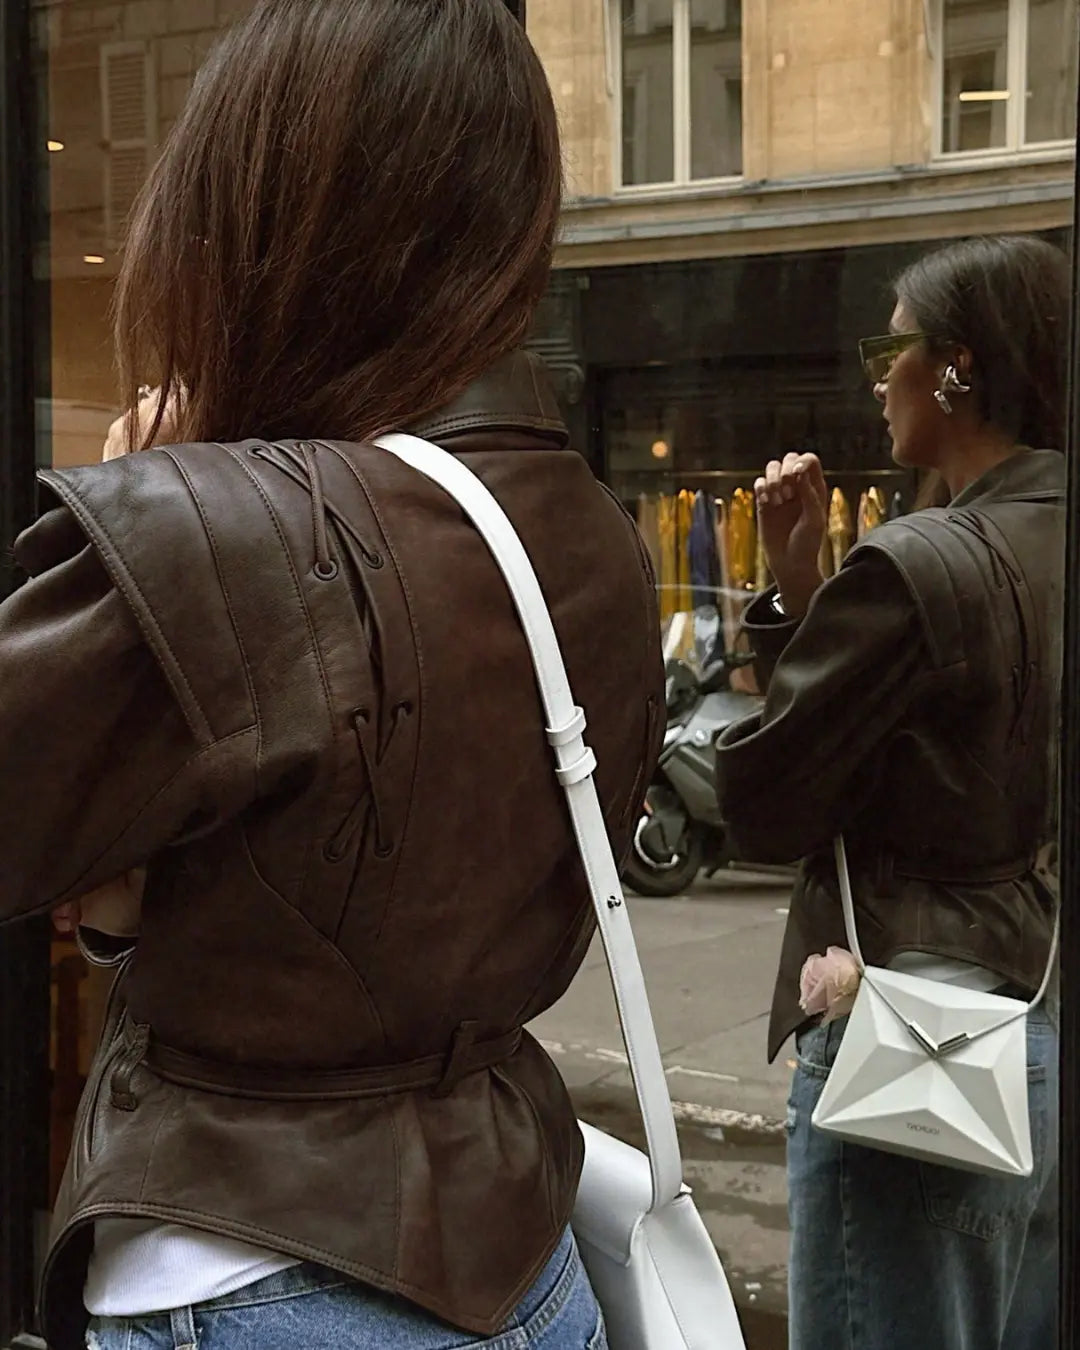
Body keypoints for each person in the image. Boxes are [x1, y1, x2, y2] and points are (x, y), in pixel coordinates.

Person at [0, 2, 664, 1347]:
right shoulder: (590, 528)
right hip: (526, 1261)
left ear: (263, 204)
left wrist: (148, 508)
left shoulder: (230, 528)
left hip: (252, 1272)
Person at [715, 234, 1067, 1350]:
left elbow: (770, 800)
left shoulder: (919, 564)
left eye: (891, 350)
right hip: (1038, 1016)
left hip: (915, 1052)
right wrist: (806, 588)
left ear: (956, 369)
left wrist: (798, 600)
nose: (879, 379)